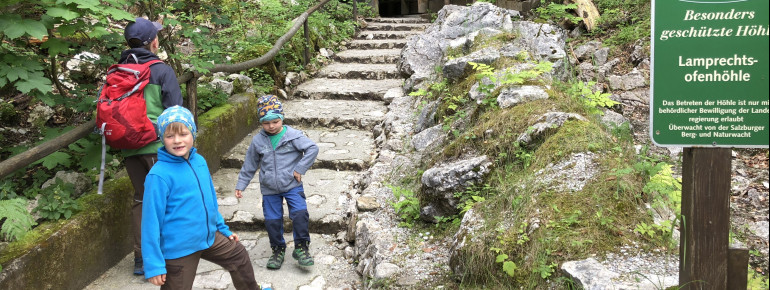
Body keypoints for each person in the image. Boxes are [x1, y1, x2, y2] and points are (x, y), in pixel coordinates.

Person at [142, 106, 258, 289]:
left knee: (238, 255)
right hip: (179, 249)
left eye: (183, 134)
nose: (177, 141)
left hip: (209, 237)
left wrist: (223, 228)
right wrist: (153, 264)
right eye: (170, 136)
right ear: (162, 139)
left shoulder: (199, 162)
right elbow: (150, 222)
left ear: (193, 134)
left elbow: (209, 201)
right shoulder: (158, 176)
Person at [121, 16, 184, 276]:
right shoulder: (161, 70)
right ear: (153, 42)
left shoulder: (119, 69)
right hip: (158, 145)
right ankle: (166, 256)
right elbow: (176, 113)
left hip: (128, 146)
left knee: (142, 199)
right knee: (167, 199)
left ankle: (141, 258)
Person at [235, 95, 319, 270]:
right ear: (261, 122)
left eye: (275, 121)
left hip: (292, 185)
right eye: (266, 123)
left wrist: (299, 169)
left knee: (300, 214)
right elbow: (250, 164)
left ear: (281, 118)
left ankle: (301, 247)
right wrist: (241, 184)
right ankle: (278, 249)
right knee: (273, 220)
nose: (271, 126)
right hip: (269, 189)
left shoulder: (293, 136)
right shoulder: (258, 141)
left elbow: (312, 148)